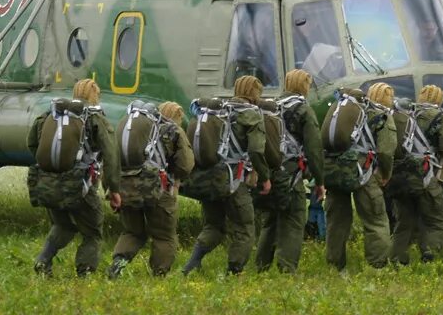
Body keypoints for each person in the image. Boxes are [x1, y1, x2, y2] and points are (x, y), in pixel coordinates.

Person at [28, 78, 122, 277]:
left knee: (63, 225)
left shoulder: (49, 115)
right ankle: (85, 273)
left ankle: (43, 260)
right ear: (95, 94)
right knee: (92, 232)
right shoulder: (95, 119)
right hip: (81, 186)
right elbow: (111, 156)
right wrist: (113, 189)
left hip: (47, 182)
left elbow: (32, 143)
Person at [181, 75, 270, 275]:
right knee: (245, 227)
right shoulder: (251, 114)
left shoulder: (220, 110)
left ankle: (192, 264)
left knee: (214, 225)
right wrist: (264, 177)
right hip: (233, 180)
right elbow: (256, 150)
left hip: (210, 177)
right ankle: (234, 271)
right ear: (254, 93)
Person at [107, 101, 195, 278]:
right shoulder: (171, 130)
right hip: (159, 190)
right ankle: (159, 274)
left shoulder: (127, 128)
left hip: (125, 188)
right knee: (163, 236)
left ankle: (118, 264)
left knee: (133, 232)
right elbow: (185, 165)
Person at [254, 69, 325, 273]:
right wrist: (319, 181)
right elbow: (314, 149)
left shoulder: (272, 106)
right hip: (292, 175)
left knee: (271, 221)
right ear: (305, 86)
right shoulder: (303, 110)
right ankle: (287, 269)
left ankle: (261, 267)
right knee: (294, 221)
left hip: (270, 172)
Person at [322, 82, 397, 270]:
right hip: (364, 172)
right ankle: (377, 266)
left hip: (334, 171)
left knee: (336, 222)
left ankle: (335, 266)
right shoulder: (381, 115)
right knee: (376, 220)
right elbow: (386, 152)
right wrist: (385, 174)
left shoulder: (346, 112)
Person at [389, 84, 443, 265]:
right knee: (436, 218)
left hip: (402, 175)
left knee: (404, 222)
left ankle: (397, 258)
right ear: (439, 99)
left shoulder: (406, 113)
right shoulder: (438, 115)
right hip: (425, 176)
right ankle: (430, 255)